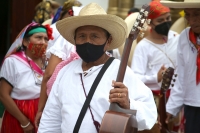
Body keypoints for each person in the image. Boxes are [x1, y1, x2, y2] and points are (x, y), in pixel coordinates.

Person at [37, 3, 157, 132]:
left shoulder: (121, 72)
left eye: (95, 36)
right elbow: (51, 120)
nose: (88, 41)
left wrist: (128, 104)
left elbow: (149, 113)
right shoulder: (64, 72)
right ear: (75, 40)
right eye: (82, 36)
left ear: (108, 41)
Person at [131, 0, 179, 132]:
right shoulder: (143, 47)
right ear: (150, 22)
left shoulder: (178, 38)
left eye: (168, 18)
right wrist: (155, 77)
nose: (166, 22)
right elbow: (135, 78)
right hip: (154, 101)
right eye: (160, 20)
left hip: (176, 98)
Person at [34, 0, 82, 128]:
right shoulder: (105, 44)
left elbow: (49, 74)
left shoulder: (65, 40)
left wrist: (40, 109)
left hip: (60, 99)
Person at [0, 22, 53, 133]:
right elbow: (3, 95)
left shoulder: (48, 62)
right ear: (25, 41)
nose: (43, 42)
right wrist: (24, 122)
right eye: (38, 38)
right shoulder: (13, 61)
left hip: (43, 114)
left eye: (46, 39)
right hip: (19, 114)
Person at [160, 0, 200, 133]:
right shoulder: (185, 37)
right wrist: (172, 107)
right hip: (192, 105)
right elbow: (181, 76)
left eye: (197, 14)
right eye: (188, 15)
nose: (192, 21)